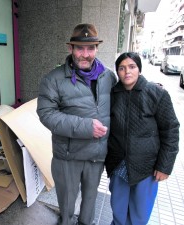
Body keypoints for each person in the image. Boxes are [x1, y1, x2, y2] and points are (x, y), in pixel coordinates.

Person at [36, 23, 118, 225]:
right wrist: (86, 127)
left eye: (90, 48)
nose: (85, 54)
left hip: (97, 156)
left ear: (97, 49)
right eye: (80, 48)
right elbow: (46, 114)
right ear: (70, 48)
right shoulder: (53, 79)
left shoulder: (109, 77)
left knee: (90, 202)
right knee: (67, 205)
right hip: (68, 157)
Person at [105, 52, 180, 225]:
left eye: (132, 67)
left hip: (147, 167)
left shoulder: (156, 94)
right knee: (118, 209)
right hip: (118, 164)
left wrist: (164, 166)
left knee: (139, 214)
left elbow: (171, 130)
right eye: (122, 68)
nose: (127, 72)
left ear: (139, 69)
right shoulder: (113, 94)